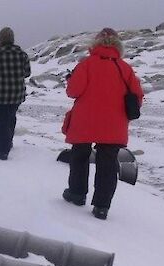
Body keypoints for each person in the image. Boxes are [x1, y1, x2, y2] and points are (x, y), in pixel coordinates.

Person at [61, 28, 144, 220]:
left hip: (85, 121)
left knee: (80, 157)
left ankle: (77, 194)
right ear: (118, 46)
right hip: (114, 125)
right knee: (107, 165)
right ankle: (101, 206)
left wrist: (71, 80)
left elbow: (73, 92)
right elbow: (137, 97)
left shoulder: (86, 65)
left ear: (95, 44)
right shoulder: (125, 68)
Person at [0, 27, 31, 160]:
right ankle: (9, 141)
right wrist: (16, 77)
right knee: (11, 117)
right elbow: (27, 72)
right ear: (12, 39)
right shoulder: (21, 54)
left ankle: (2, 150)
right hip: (17, 94)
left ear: (0, 39)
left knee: (2, 121)